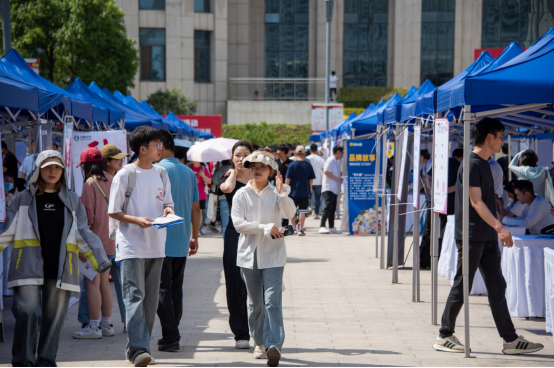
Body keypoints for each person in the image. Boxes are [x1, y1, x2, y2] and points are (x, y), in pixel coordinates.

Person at [434, 117, 544, 355]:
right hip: (473, 235)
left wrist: (495, 229)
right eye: (501, 135)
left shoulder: (486, 163)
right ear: (489, 137)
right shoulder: (472, 163)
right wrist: (500, 227)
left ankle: (510, 339)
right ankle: (444, 335)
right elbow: (476, 202)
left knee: (497, 286)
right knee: (462, 284)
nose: (503, 140)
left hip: (486, 236)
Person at [0, 150, 110, 366]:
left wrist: (100, 259)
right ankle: (23, 360)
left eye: (57, 167)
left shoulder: (72, 200)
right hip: (27, 268)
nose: (52, 171)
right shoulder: (23, 198)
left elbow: (83, 233)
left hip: (62, 268)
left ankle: (46, 361)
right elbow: (6, 233)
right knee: (27, 311)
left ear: (63, 170)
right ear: (38, 169)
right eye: (48, 166)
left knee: (54, 320)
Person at [108, 126, 175, 367]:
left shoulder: (161, 173)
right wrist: (136, 220)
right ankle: (139, 350)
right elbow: (113, 211)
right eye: (157, 145)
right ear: (143, 149)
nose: (161, 148)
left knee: (150, 302)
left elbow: (168, 202)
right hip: (132, 245)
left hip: (157, 244)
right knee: (134, 297)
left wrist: (169, 210)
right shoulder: (125, 174)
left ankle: (135, 349)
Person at [231, 151, 296, 367]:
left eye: (262, 167)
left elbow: (290, 213)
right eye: (253, 166)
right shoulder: (241, 194)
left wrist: (282, 193)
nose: (257, 170)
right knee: (255, 303)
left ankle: (274, 344)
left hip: (274, 255)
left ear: (270, 171)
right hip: (248, 256)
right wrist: (266, 227)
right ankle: (259, 342)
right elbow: (238, 224)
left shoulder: (277, 193)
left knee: (273, 302)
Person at [155, 130, 201, 352]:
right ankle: (170, 332)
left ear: (161, 147)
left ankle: (171, 336)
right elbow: (196, 208)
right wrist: (195, 236)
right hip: (182, 239)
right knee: (176, 288)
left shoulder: (156, 170)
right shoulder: (188, 172)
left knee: (162, 289)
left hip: (160, 239)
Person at [73, 147, 118, 339]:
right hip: (110, 241)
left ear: (85, 166)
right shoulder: (111, 180)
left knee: (92, 284)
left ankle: (93, 328)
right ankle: (107, 325)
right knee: (105, 285)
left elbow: (87, 218)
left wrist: (81, 244)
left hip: (93, 242)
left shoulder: (90, 183)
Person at [220, 141, 254, 350]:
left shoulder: (259, 178)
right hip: (235, 234)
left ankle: (260, 331)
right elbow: (228, 189)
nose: (241, 159)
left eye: (245, 155)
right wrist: (233, 172)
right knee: (234, 285)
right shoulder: (226, 176)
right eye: (237, 155)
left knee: (256, 285)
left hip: (257, 234)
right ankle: (240, 333)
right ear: (232, 158)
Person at [285, 146, 315, 236]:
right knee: (302, 211)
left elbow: (287, 178)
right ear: (305, 153)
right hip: (304, 191)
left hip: (292, 192)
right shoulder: (308, 165)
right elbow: (311, 179)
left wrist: (286, 189)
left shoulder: (291, 165)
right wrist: (310, 188)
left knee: (292, 211)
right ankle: (301, 229)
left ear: (296, 153)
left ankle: (293, 228)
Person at [319, 146, 344, 234]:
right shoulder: (330, 160)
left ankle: (331, 226)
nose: (343, 155)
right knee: (328, 207)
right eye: (342, 152)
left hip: (333, 189)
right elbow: (326, 172)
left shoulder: (335, 161)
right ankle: (322, 226)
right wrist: (337, 178)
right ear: (338, 152)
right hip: (328, 188)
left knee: (332, 208)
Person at [190, 161, 212, 235]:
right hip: (190, 195)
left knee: (199, 213)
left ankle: (198, 230)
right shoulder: (189, 168)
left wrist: (203, 175)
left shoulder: (203, 168)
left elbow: (209, 181)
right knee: (191, 213)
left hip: (201, 195)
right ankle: (191, 230)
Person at [212, 160, 234, 234]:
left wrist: (216, 170)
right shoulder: (235, 169)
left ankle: (226, 243)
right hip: (233, 199)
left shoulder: (219, 169)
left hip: (223, 199)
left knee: (225, 225)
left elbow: (214, 181)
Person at [306, 144, 325, 219]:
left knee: (308, 196)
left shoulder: (307, 158)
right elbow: (323, 171)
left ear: (310, 150)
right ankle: (316, 213)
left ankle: (309, 208)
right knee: (318, 198)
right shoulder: (321, 159)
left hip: (308, 180)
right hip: (318, 181)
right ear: (317, 150)